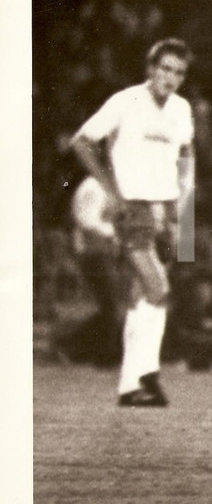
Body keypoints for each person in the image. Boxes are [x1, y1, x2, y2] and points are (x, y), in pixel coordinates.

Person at [69, 38, 196, 407]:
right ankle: (146, 374)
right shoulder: (126, 101)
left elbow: (186, 152)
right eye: (166, 68)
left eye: (179, 72)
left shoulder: (181, 109)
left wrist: (180, 203)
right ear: (151, 69)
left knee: (145, 296)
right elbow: (82, 141)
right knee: (157, 288)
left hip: (164, 208)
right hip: (133, 210)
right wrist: (112, 191)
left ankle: (133, 384)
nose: (171, 77)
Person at [51, 176, 125, 366]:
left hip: (104, 251)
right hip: (93, 252)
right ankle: (88, 350)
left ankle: (71, 345)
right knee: (111, 306)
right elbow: (87, 221)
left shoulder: (113, 186)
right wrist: (111, 230)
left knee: (111, 307)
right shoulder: (92, 187)